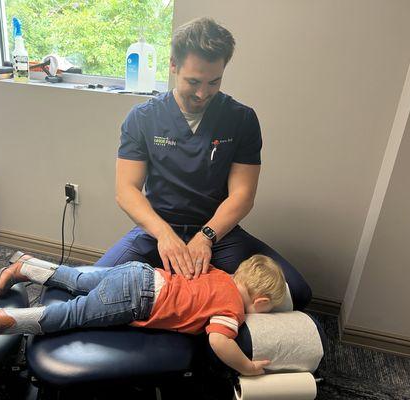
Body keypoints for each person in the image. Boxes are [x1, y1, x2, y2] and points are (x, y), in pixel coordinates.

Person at [95, 17, 311, 309]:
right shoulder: (143, 118)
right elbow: (127, 190)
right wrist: (165, 236)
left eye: (214, 82)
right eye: (193, 82)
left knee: (295, 292)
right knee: (94, 286)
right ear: (173, 65)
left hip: (217, 232)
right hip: (159, 229)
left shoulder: (241, 119)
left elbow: (242, 195)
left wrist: (206, 236)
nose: (202, 93)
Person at [0, 253, 287, 376]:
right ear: (259, 303)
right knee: (74, 314)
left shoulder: (221, 274)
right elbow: (219, 341)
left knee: (78, 280)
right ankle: (3, 321)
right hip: (139, 298)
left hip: (143, 272)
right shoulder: (233, 308)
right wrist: (246, 367)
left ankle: (23, 267)